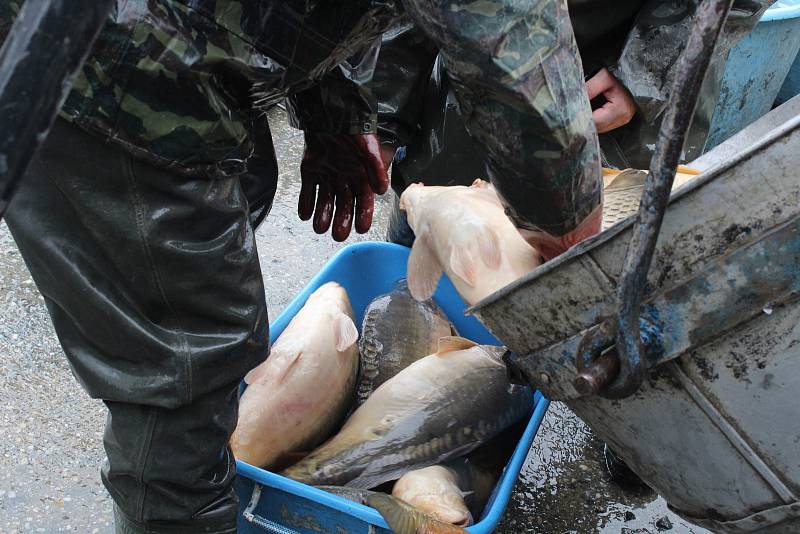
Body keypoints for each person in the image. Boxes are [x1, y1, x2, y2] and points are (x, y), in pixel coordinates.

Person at [0, 0, 606, 531]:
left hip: (154, 50)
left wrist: (333, 109)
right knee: (183, 370)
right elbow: (508, 40)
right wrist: (567, 209)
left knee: (236, 220)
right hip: (100, 64)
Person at [375, 0, 774, 247]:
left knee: (593, 265)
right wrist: (379, 111)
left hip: (622, 74)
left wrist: (647, 71)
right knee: (428, 234)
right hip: (477, 64)